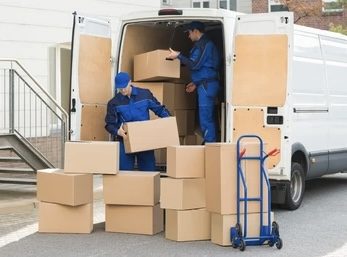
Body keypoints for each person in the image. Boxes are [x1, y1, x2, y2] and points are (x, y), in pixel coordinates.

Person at [105, 72, 170, 171]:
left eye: (124, 87)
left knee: (149, 172)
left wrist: (169, 120)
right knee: (124, 172)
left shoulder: (145, 94)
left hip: (145, 139)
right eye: (119, 88)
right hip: (125, 140)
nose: (122, 90)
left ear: (130, 82)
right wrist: (118, 132)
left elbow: (159, 109)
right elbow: (109, 124)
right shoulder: (114, 103)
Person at [168, 21, 220, 143]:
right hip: (205, 84)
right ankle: (209, 141)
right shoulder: (203, 44)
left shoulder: (204, 45)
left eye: (189, 33)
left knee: (205, 118)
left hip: (207, 86)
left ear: (196, 31)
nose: (188, 36)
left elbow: (195, 64)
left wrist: (178, 55)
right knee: (207, 116)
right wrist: (196, 83)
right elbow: (205, 67)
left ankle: (210, 144)